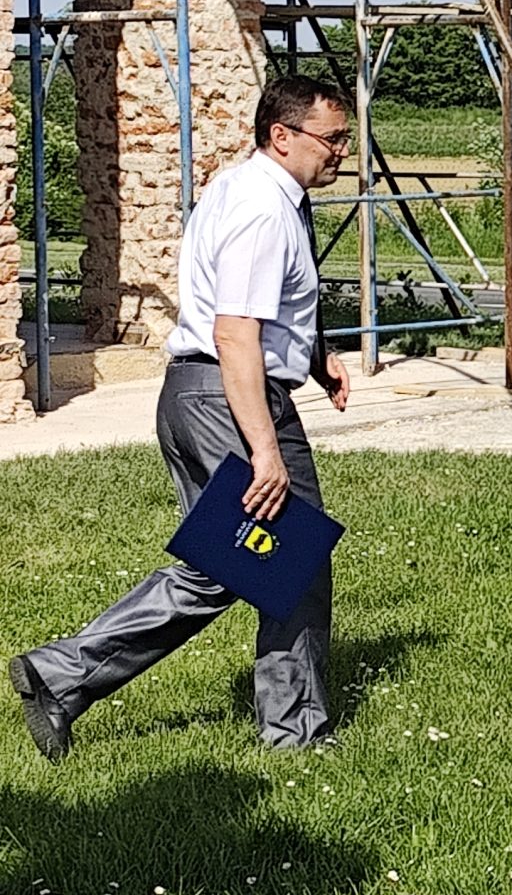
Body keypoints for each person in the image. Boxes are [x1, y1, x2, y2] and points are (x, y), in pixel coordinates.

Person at [12, 76, 355, 759]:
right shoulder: (264, 210)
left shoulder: (241, 189)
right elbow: (233, 332)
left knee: (233, 565)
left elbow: (251, 305)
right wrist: (264, 448)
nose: (342, 152)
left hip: (200, 392)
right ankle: (294, 734)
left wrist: (313, 353)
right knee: (289, 559)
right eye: (332, 139)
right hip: (231, 398)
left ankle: (61, 676)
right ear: (282, 136)